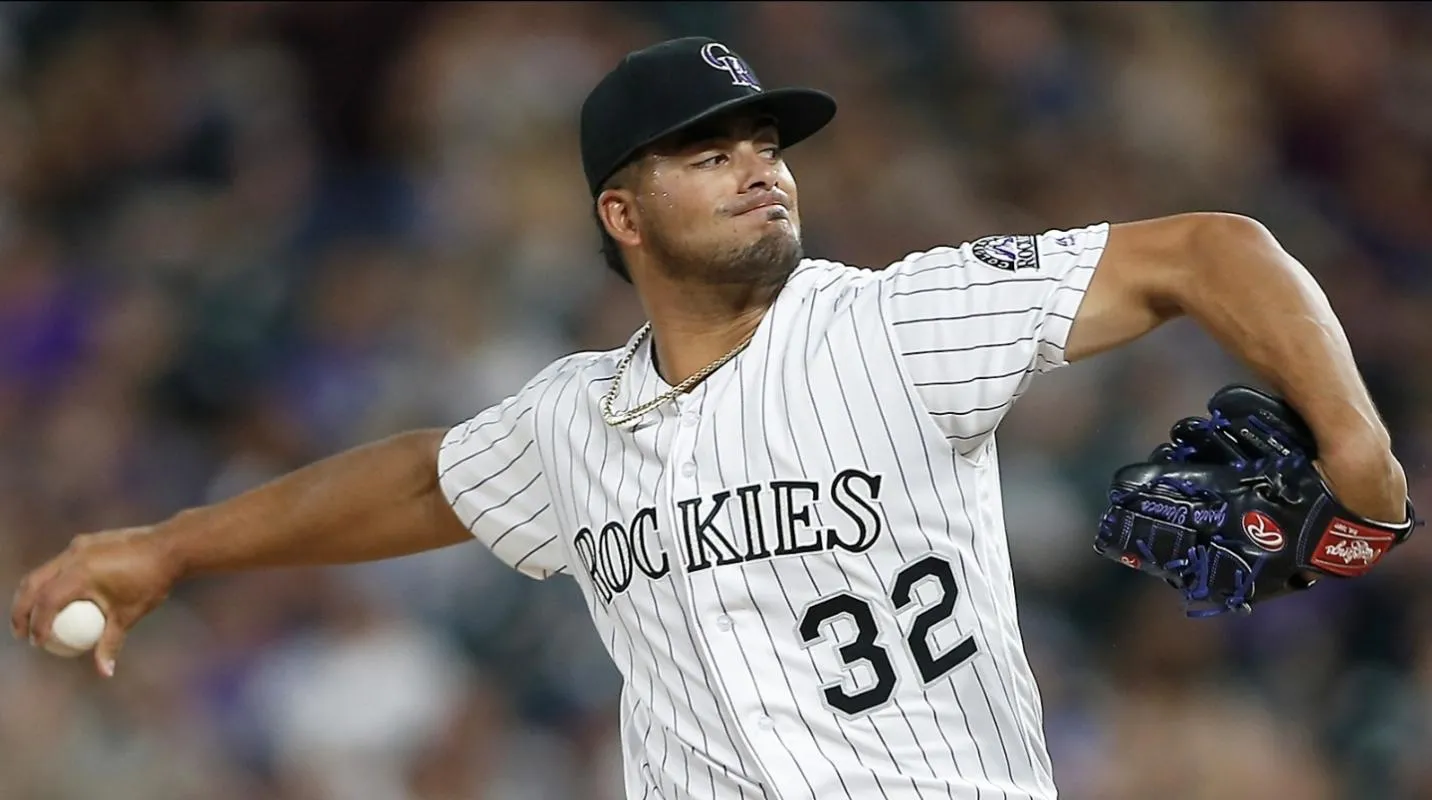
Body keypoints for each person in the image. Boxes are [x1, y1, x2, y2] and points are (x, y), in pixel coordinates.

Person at [10, 36, 1410, 800]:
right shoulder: (574, 419)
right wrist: (177, 547)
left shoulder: (887, 322)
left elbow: (1208, 250)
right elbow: (431, 484)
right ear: (620, 212)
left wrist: (1359, 453)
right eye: (707, 152)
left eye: (764, 147)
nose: (758, 169)